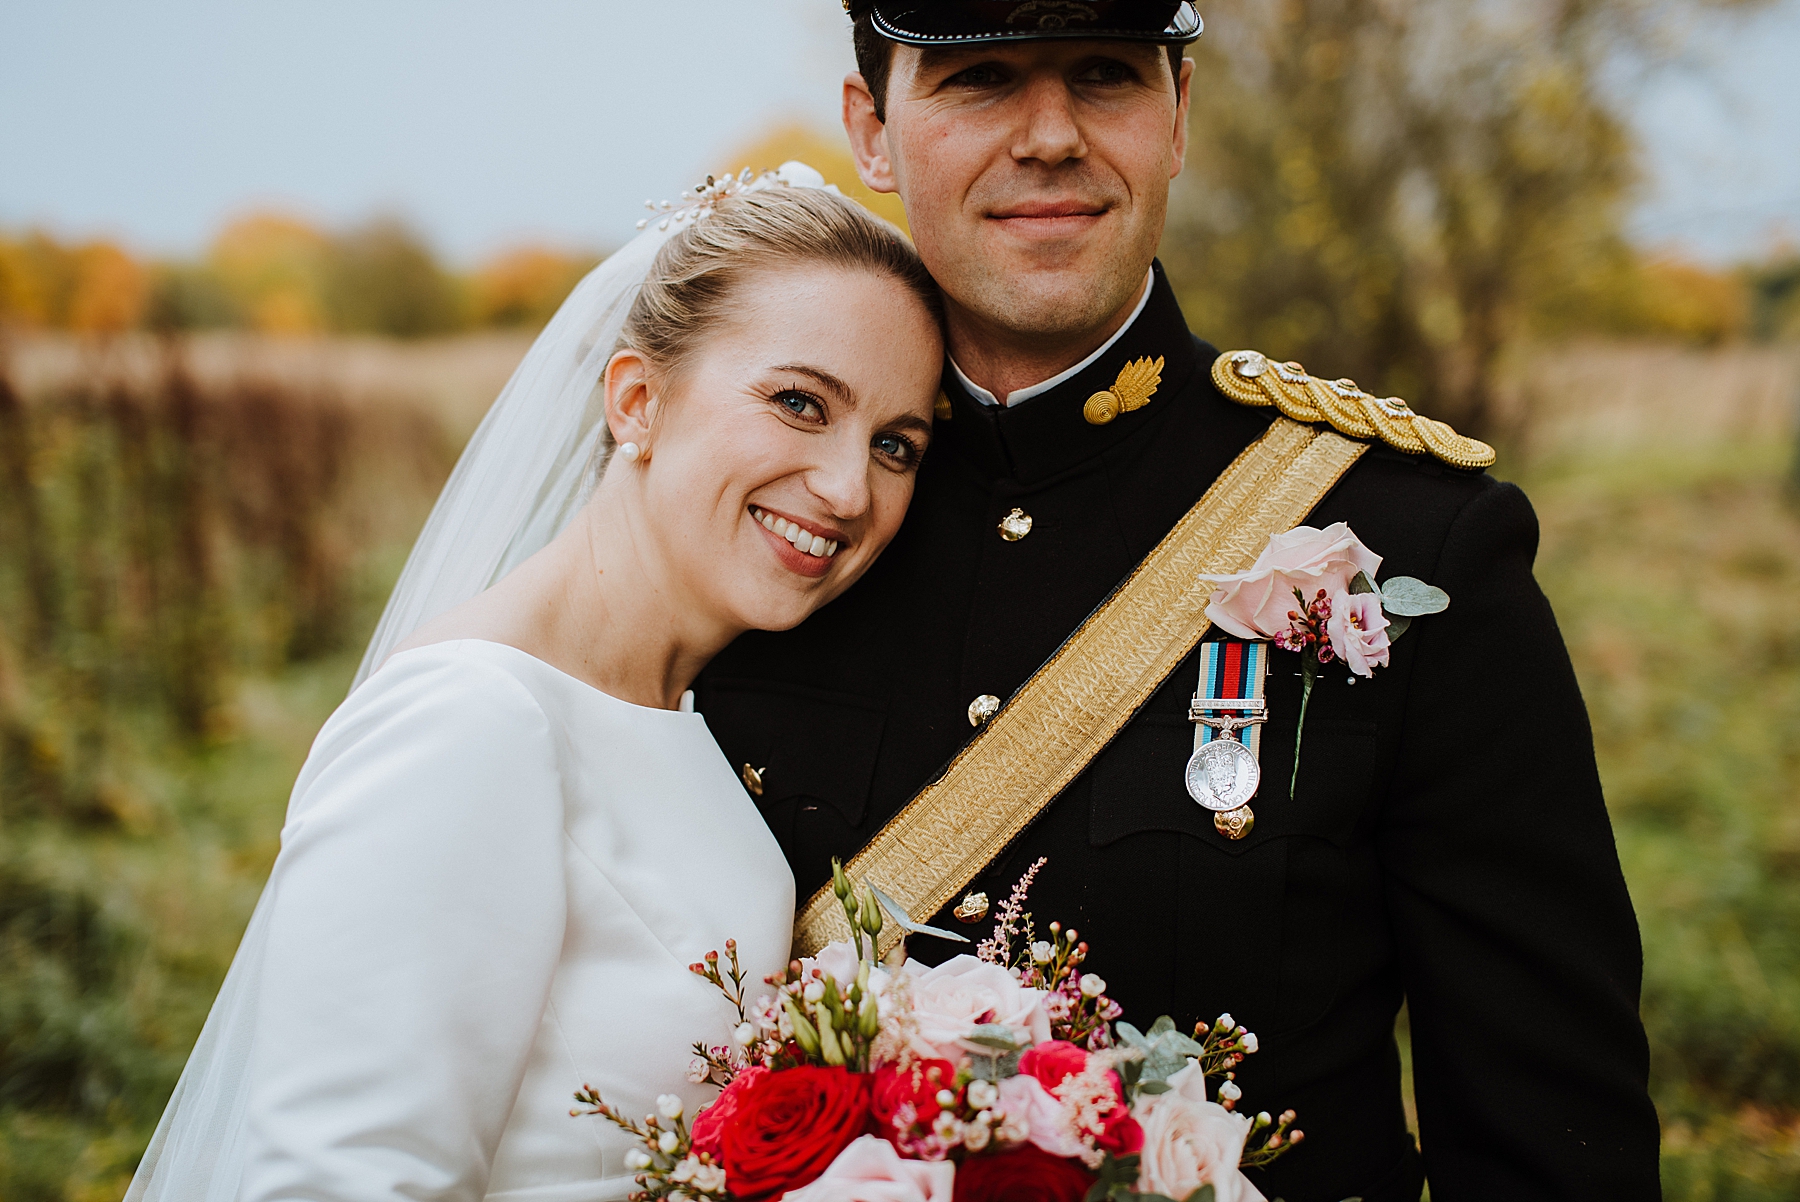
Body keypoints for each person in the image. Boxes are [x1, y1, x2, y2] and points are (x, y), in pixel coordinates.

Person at [694, 4, 1663, 1199]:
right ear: (872, 131)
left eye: (1105, 74)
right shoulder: (756, 525)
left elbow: (1552, 1141)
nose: (1050, 134)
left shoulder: (1415, 534)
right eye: (980, 78)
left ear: (1179, 117)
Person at [125, 175, 945, 1201]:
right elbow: (340, 1179)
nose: (848, 487)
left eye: (895, 444)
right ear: (637, 401)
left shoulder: (678, 714)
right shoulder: (471, 721)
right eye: (798, 402)